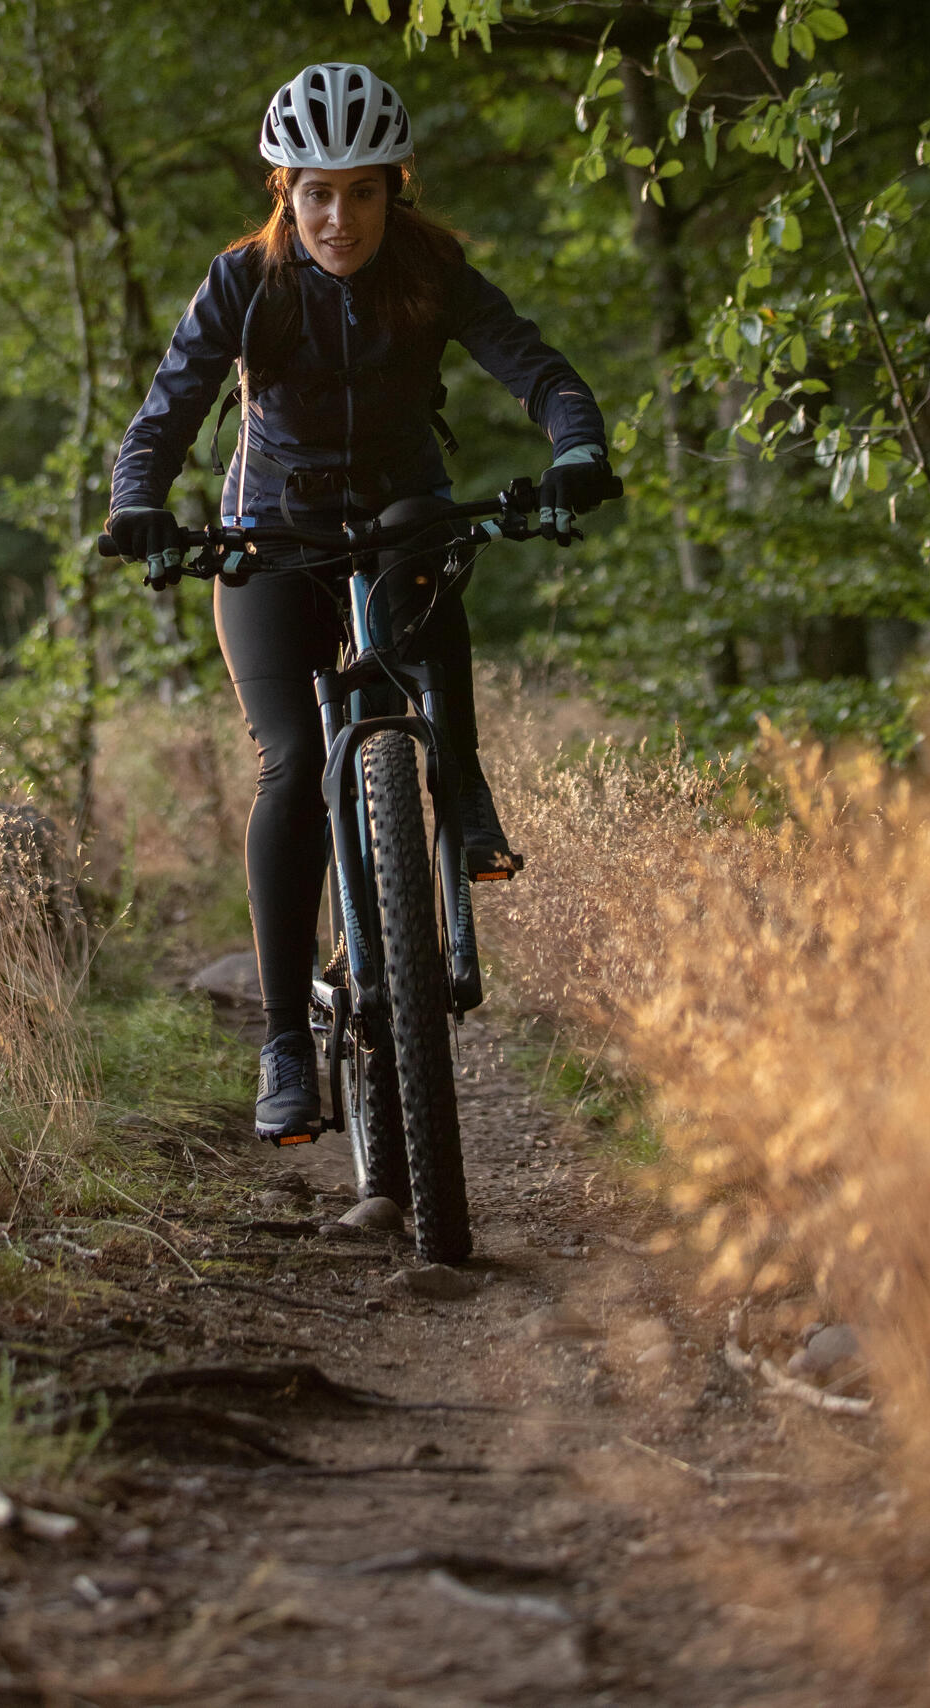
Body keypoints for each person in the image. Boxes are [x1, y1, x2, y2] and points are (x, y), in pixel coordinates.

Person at [107, 62, 615, 1145]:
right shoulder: (244, 280)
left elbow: (537, 369)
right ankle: (286, 1043)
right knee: (293, 763)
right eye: (316, 192)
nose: (339, 217)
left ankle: (460, 780)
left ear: (398, 189)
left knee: (417, 539)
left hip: (396, 510)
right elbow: (169, 407)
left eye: (363, 192)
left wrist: (576, 446)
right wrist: (137, 502)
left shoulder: (433, 268)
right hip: (271, 530)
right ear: (285, 191)